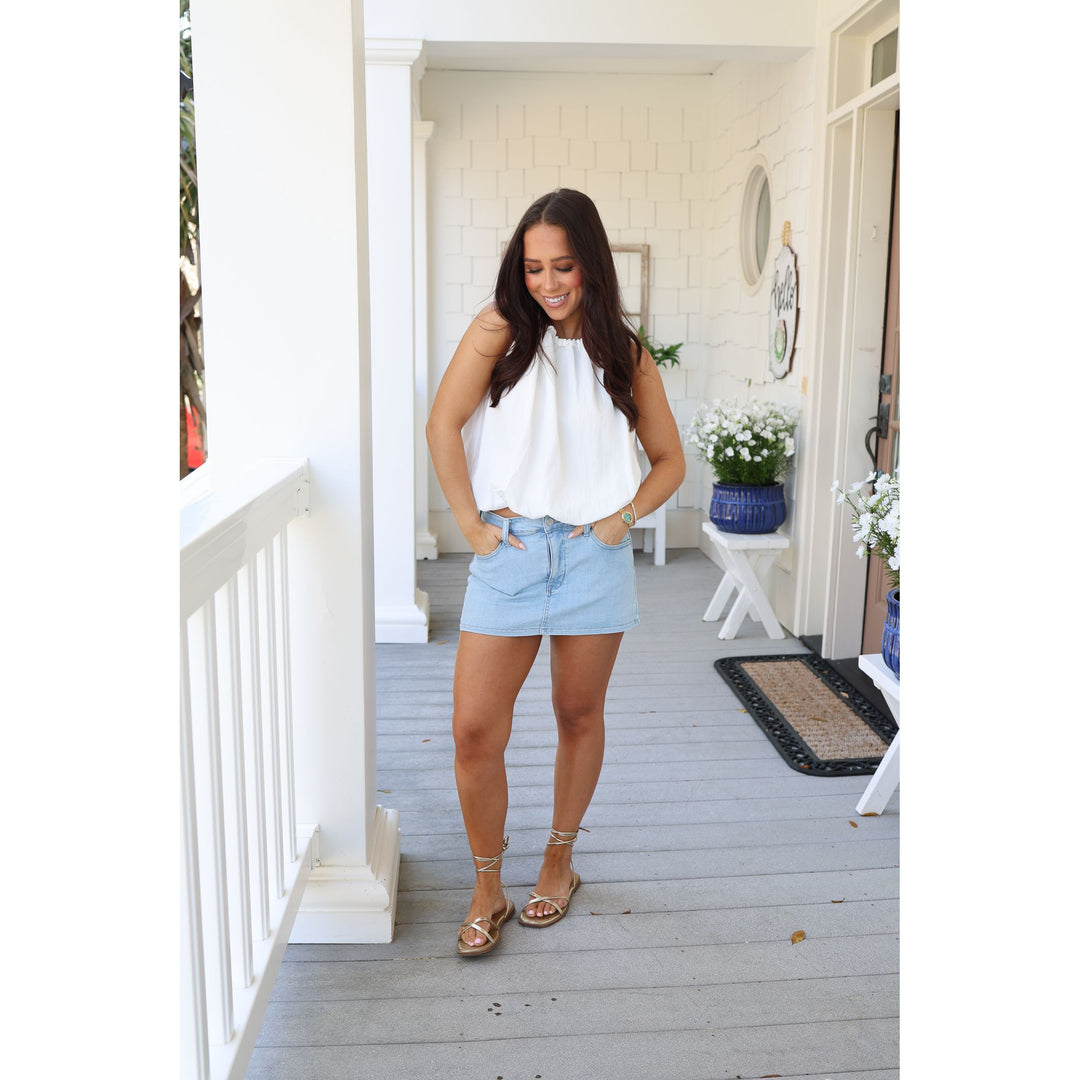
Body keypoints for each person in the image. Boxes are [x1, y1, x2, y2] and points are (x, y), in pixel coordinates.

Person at [426, 188, 685, 957]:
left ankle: (559, 862)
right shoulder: (497, 331)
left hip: (590, 557)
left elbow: (670, 463)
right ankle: (486, 884)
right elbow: (443, 422)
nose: (547, 282)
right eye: (534, 266)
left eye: (563, 265)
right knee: (474, 731)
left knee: (577, 715)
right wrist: (470, 524)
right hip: (508, 552)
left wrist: (622, 519)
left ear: (591, 265)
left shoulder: (625, 354)